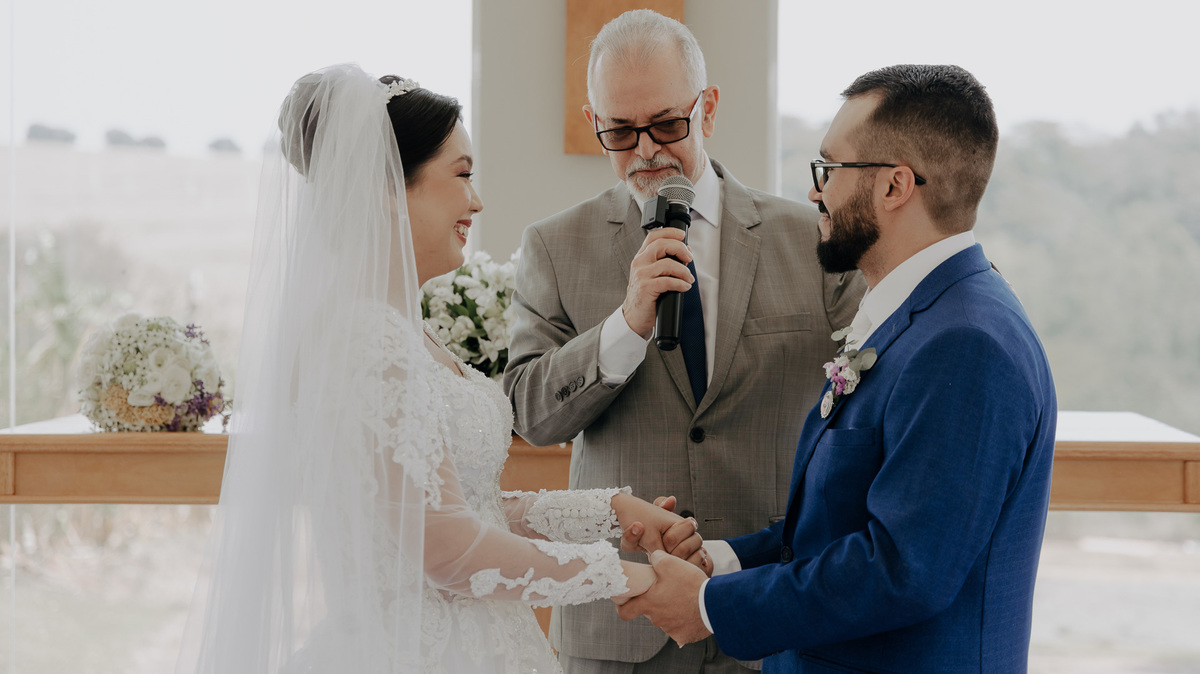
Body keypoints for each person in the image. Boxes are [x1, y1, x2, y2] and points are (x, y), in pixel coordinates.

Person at [175, 63, 704, 674]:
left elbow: (461, 506)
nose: (476, 200)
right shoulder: (364, 340)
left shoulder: (403, 332)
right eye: (462, 175)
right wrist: (622, 575)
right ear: (385, 189)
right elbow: (447, 549)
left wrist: (613, 513)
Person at [617, 64, 1059, 673]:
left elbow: (905, 568)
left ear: (895, 185)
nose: (814, 191)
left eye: (829, 168)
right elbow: (834, 526)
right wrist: (717, 562)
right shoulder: (916, 314)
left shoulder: (965, 341)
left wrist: (712, 607)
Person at [503, 10, 865, 673]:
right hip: (620, 621)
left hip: (770, 611)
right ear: (594, 125)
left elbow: (869, 392)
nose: (646, 152)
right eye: (620, 131)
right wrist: (626, 326)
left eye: (668, 125)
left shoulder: (809, 238)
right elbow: (530, 414)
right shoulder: (553, 246)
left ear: (710, 108)